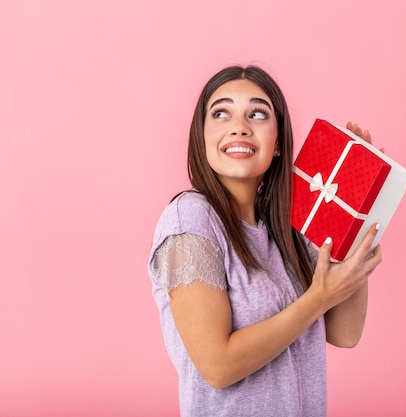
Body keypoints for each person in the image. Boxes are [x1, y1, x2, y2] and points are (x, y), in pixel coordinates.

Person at [148, 65, 382, 417]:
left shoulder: (288, 226)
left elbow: (345, 332)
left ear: (276, 143)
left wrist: (355, 208)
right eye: (221, 113)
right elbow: (218, 366)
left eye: (257, 113)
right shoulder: (191, 219)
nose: (239, 126)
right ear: (202, 136)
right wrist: (317, 299)